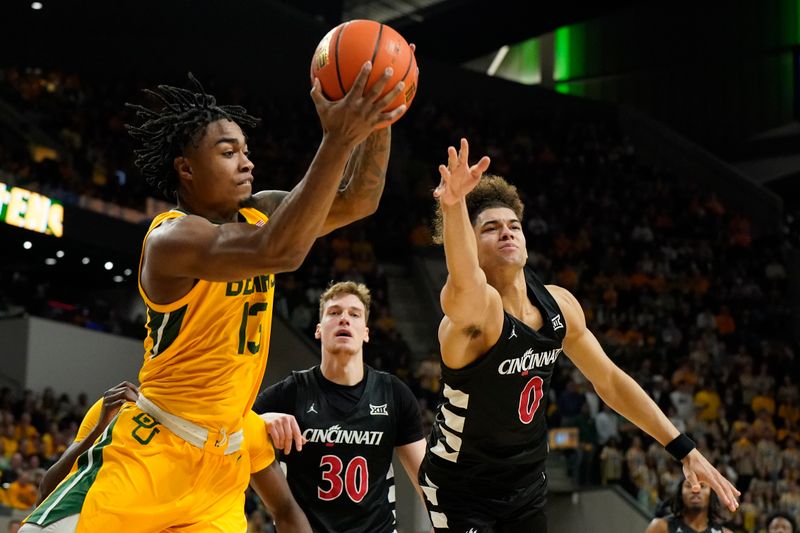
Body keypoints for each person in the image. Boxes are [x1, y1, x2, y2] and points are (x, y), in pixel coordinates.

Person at [23, 63, 407, 532]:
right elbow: (281, 252)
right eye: (229, 152)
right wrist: (339, 138)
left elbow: (359, 200)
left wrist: (380, 116)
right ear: (186, 168)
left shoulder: (260, 211)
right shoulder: (172, 239)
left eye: (246, 151)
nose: (247, 162)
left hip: (223, 464)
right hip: (155, 448)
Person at [417, 139, 740, 532]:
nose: (507, 233)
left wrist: (683, 449)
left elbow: (609, 380)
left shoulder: (559, 305)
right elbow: (464, 277)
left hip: (525, 482)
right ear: (471, 242)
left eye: (514, 226)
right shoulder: (473, 313)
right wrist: (453, 208)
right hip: (462, 487)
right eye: (490, 228)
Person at [253, 281, 426, 533]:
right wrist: (263, 420)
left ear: (366, 332)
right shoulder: (292, 391)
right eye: (334, 313)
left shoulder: (393, 393)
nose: (344, 319)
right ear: (318, 330)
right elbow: (235, 428)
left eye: (354, 314)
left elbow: (428, 482)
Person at [25, 381, 311, 533]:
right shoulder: (123, 407)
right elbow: (46, 494)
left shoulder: (246, 426)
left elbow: (286, 509)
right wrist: (98, 430)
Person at [645, 476, 731, 533]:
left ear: (711, 495)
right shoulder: (660, 527)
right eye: (689, 485)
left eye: (702, 486)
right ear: (680, 495)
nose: (695, 490)